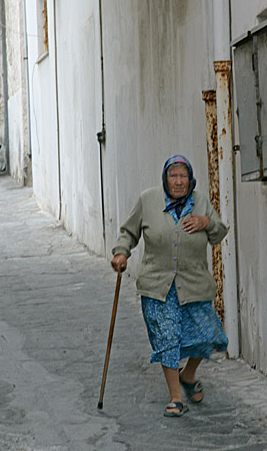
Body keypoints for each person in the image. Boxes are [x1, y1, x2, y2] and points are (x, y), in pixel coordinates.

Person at [111, 155, 228, 417]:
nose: (178, 181)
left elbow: (219, 233)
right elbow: (129, 232)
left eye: (183, 176)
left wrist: (205, 222)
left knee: (210, 335)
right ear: (165, 179)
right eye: (173, 176)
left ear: (190, 179)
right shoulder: (148, 200)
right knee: (167, 339)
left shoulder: (200, 202)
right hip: (158, 285)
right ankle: (176, 397)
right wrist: (121, 253)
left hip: (193, 284)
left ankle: (188, 375)